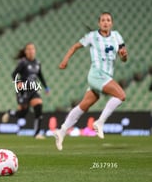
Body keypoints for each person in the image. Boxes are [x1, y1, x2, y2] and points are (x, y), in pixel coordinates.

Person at [54, 12, 128, 151]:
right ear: (99, 23)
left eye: (108, 20)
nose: (106, 22)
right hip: (96, 74)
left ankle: (61, 131)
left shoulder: (117, 36)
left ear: (111, 23)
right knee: (121, 96)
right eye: (103, 20)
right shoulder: (92, 36)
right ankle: (100, 122)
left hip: (106, 75)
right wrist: (65, 60)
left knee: (84, 105)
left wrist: (124, 56)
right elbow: (75, 46)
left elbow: (123, 57)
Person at [1, 43, 50, 139]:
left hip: (33, 89)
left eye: (33, 49)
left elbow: (40, 76)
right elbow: (14, 74)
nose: (31, 51)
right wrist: (18, 82)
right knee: (23, 113)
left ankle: (37, 133)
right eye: (29, 49)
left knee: (39, 106)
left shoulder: (37, 63)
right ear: (26, 52)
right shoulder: (23, 62)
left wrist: (46, 87)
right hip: (23, 90)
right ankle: (10, 112)